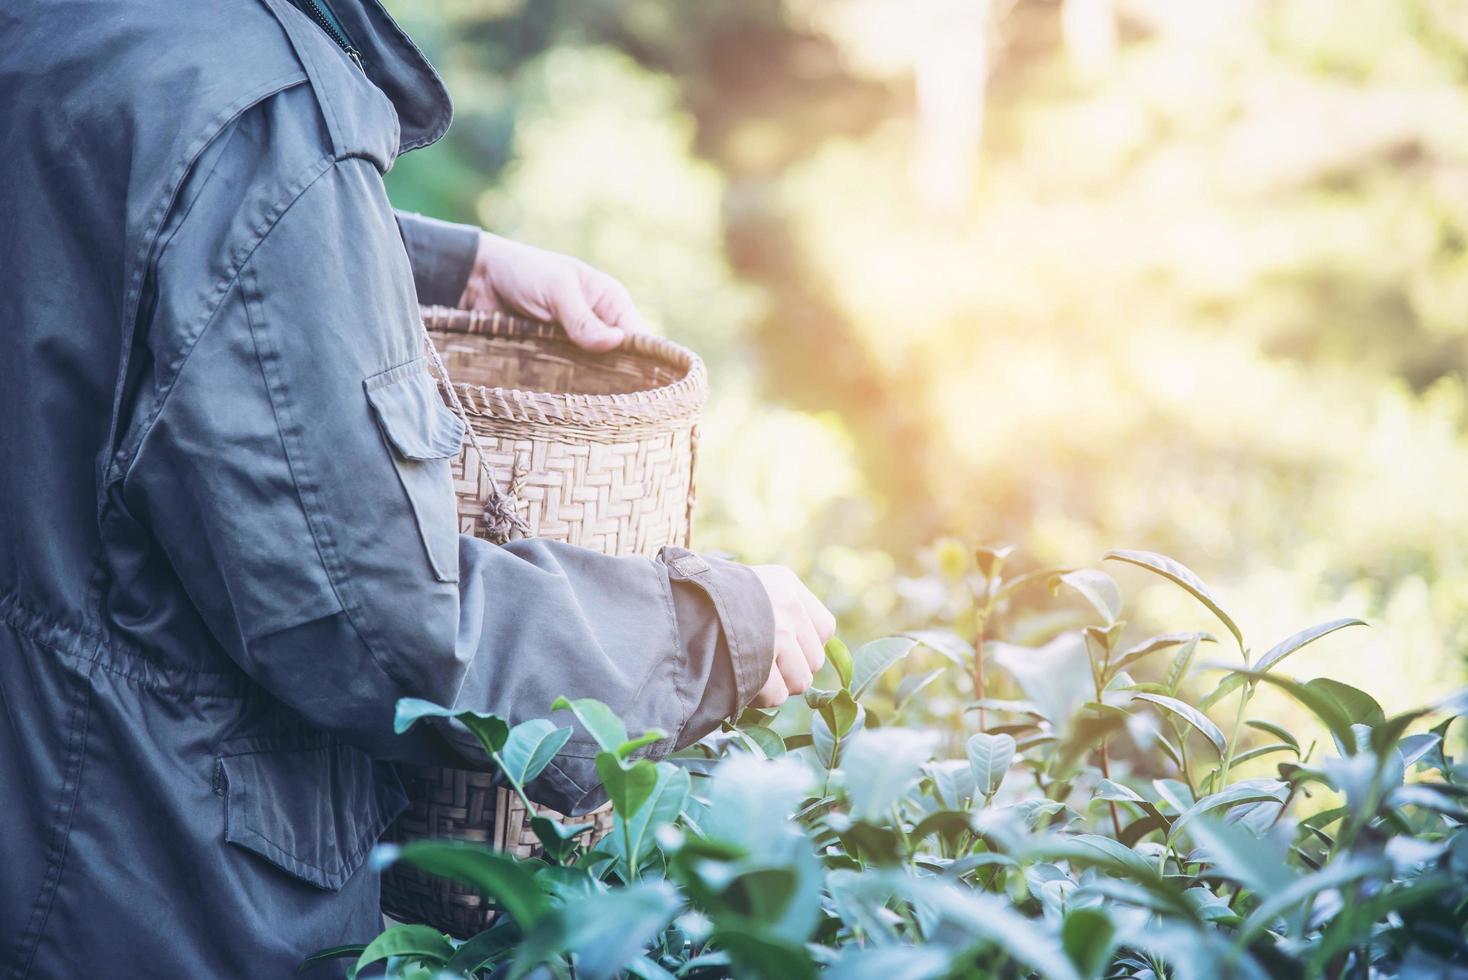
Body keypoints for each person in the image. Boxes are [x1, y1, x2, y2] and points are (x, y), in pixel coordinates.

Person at [0, 1, 833, 976]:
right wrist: (707, 626)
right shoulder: (257, 103)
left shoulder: (82, 25)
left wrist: (438, 264)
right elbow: (376, 627)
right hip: (157, 896)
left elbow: (130, 211)